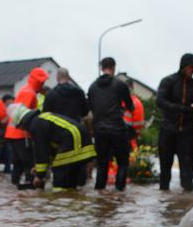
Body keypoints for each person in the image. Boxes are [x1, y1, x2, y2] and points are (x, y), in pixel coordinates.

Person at [8, 104, 97, 191]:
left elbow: (41, 152)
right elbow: (50, 150)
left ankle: (60, 199)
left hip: (72, 140)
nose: (23, 131)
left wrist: (39, 176)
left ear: (23, 123)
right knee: (70, 180)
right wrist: (39, 169)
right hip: (82, 139)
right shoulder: (41, 119)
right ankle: (71, 196)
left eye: (21, 128)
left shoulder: (36, 125)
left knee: (59, 173)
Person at [156, 53, 193, 192]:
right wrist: (180, 108)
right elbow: (160, 101)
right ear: (183, 66)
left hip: (186, 132)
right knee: (165, 166)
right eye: (191, 67)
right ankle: (164, 195)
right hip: (168, 129)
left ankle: (186, 200)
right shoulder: (168, 81)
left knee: (187, 167)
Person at [87, 57, 133, 191]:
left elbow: (91, 107)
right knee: (123, 163)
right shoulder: (120, 85)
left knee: (102, 164)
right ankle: (119, 194)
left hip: (99, 130)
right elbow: (130, 105)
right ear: (114, 67)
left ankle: (100, 194)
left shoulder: (92, 87)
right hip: (118, 129)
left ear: (102, 68)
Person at [4, 67, 49, 187]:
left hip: (13, 133)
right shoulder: (29, 93)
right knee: (28, 162)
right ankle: (30, 186)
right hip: (21, 134)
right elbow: (25, 117)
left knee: (18, 163)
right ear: (38, 82)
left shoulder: (25, 90)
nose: (43, 85)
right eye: (42, 82)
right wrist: (29, 136)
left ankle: (15, 185)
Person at [123, 79, 145, 152]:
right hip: (133, 142)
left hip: (126, 142)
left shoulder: (122, 102)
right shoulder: (138, 102)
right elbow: (139, 125)